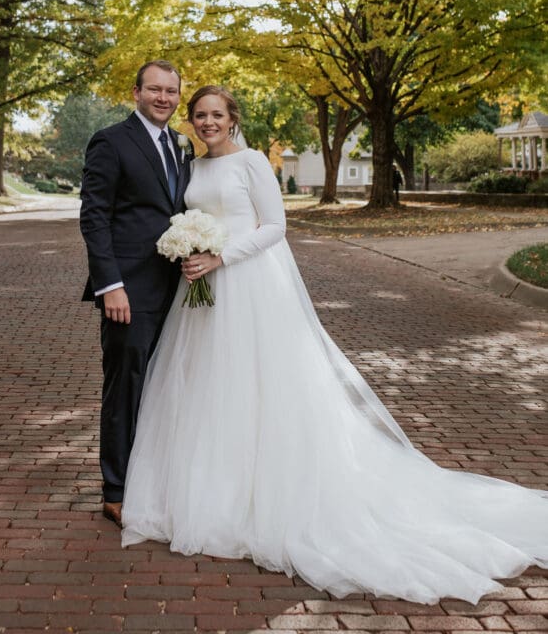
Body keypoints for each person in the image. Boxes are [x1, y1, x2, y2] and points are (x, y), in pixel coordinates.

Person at [120, 85, 548, 605]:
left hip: (250, 287)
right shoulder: (191, 166)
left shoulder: (253, 162)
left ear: (233, 118)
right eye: (200, 115)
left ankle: (273, 495)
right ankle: (216, 492)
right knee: (210, 387)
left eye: (217, 114)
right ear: (192, 121)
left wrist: (221, 256)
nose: (208, 122)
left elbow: (275, 227)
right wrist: (193, 251)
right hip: (201, 298)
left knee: (261, 386)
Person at [79, 60, 193, 527]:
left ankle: (159, 479)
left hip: (181, 291)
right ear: (136, 92)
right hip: (129, 289)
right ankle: (117, 489)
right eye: (155, 89)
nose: (163, 97)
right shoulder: (111, 141)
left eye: (171, 91)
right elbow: (94, 217)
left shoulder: (183, 146)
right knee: (125, 387)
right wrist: (111, 286)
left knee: (169, 387)